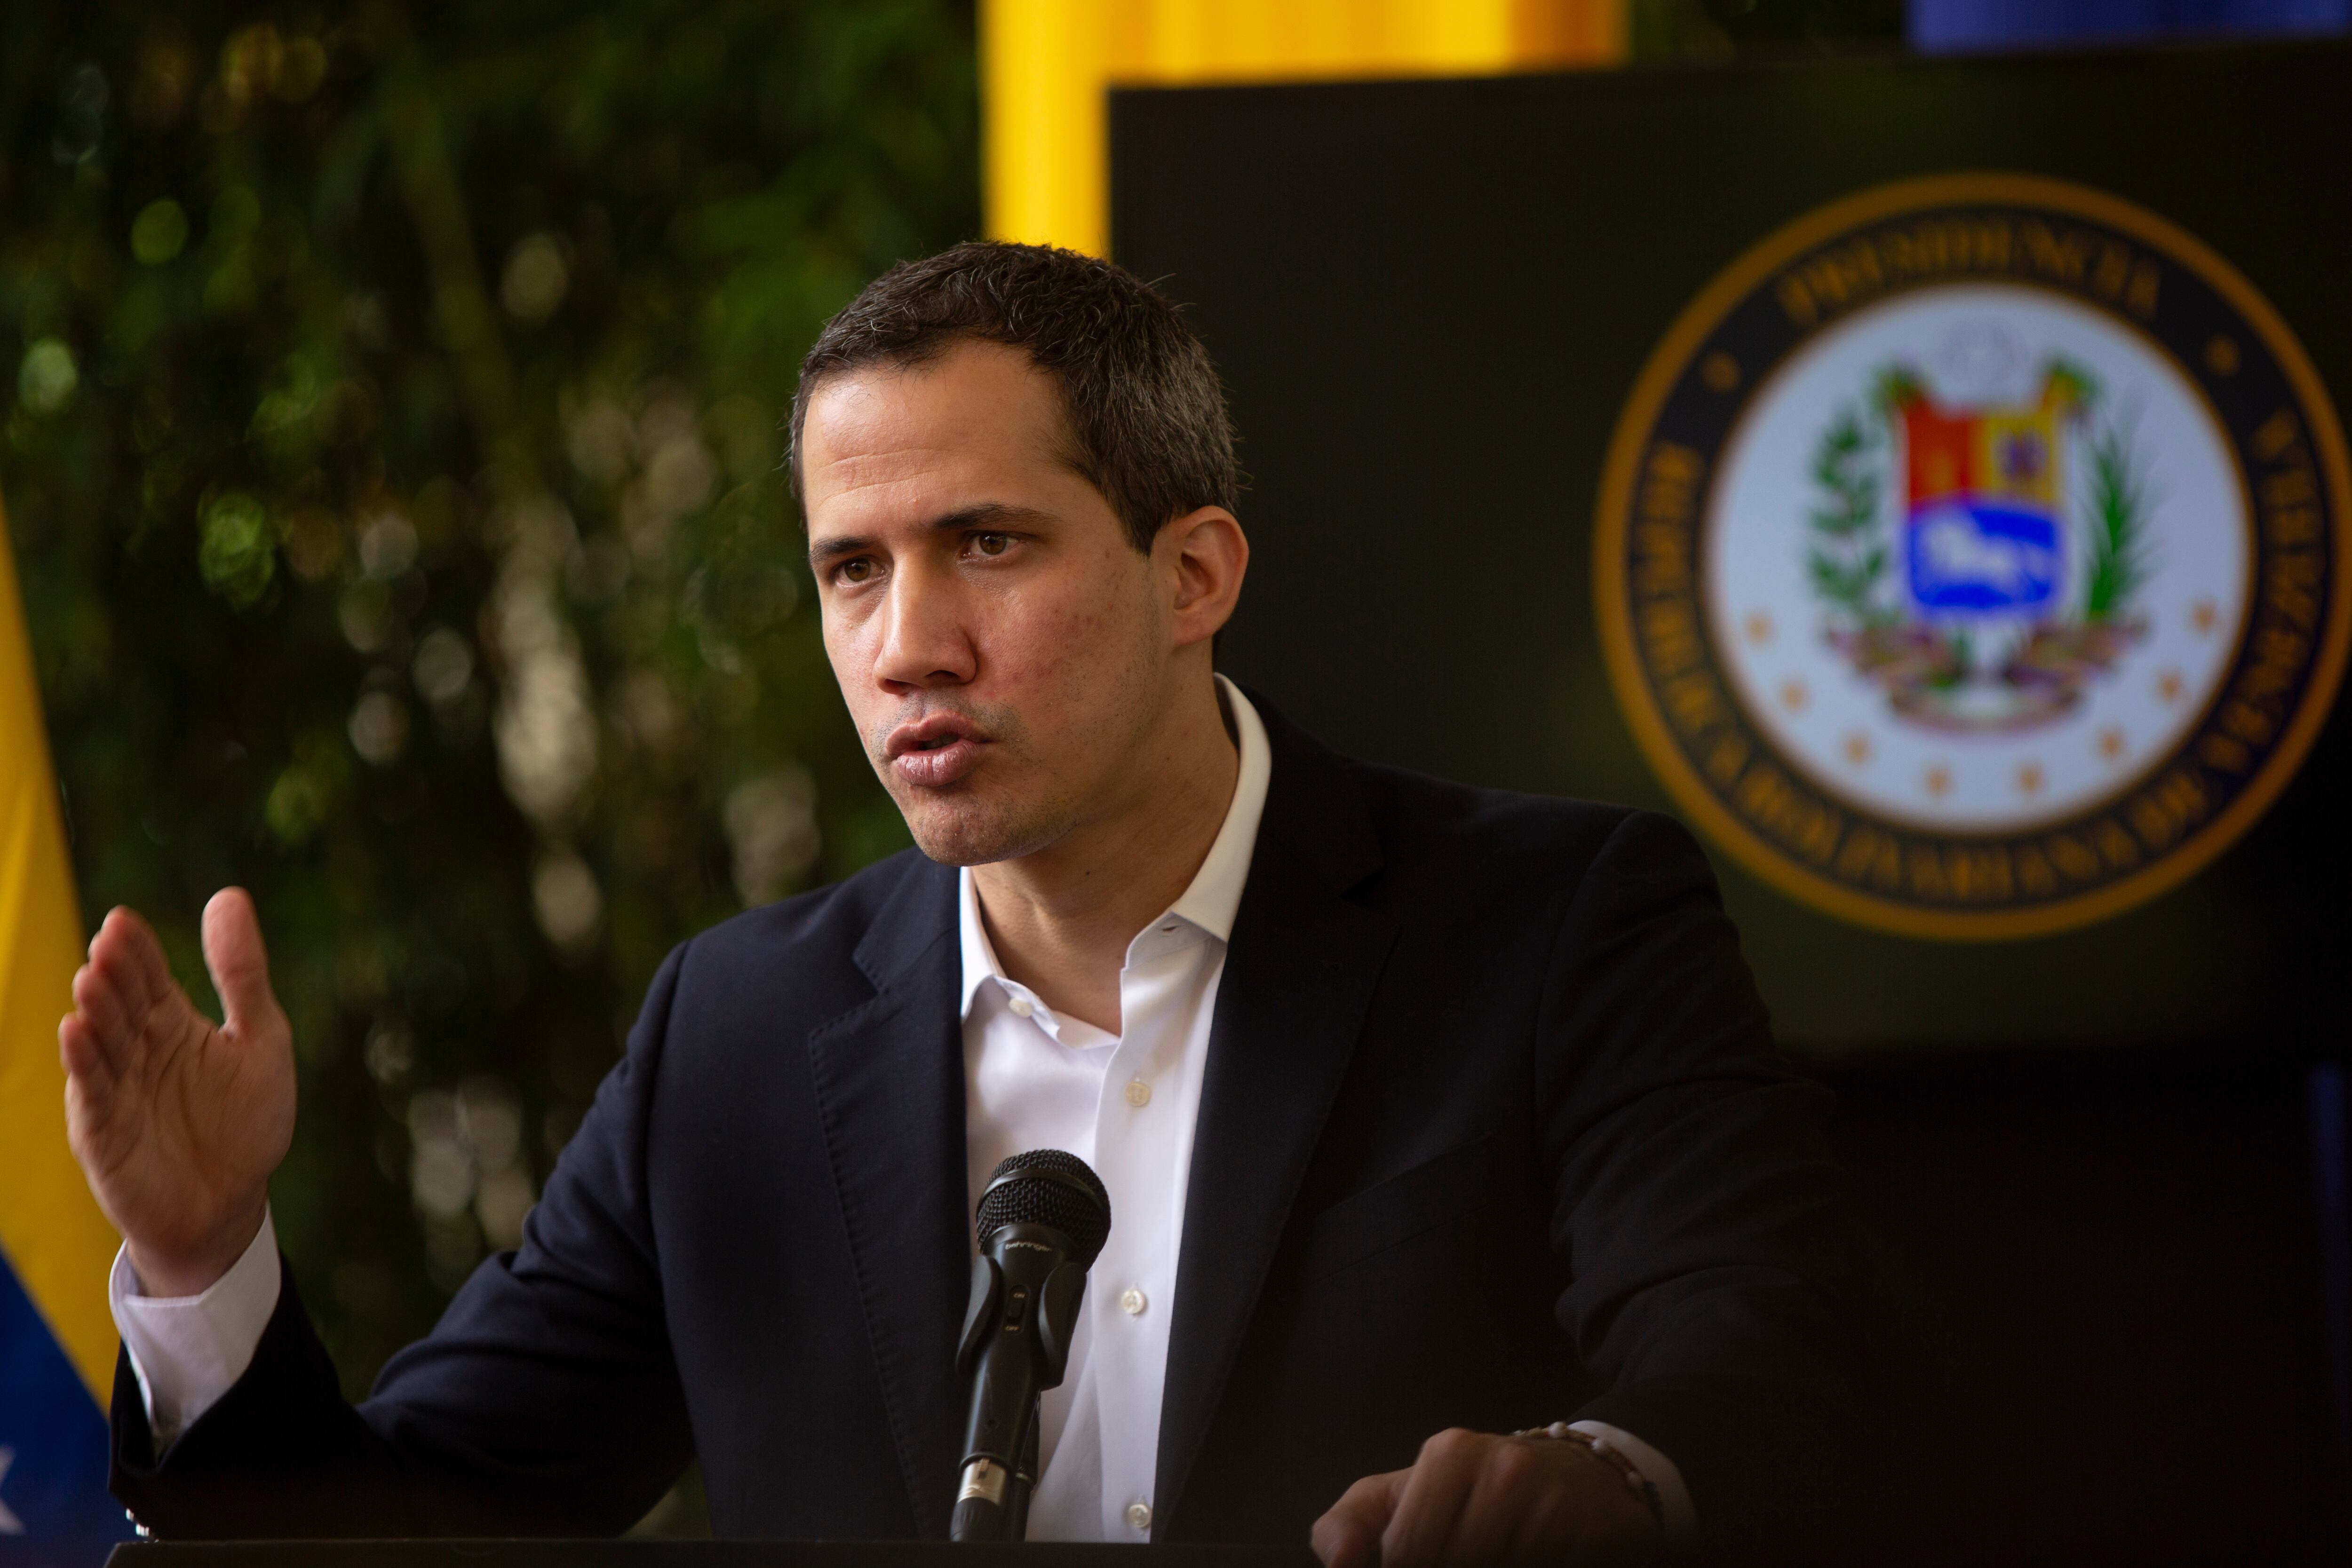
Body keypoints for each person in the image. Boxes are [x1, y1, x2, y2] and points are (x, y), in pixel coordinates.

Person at [61, 242, 1867, 1563]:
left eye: (985, 545)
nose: (906, 645)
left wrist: (1611, 1474)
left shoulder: (1556, 925)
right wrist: (211, 1261)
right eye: (852, 569)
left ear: (1193, 573)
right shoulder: (738, 1033)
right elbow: (407, 1530)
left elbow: (1768, 1360)